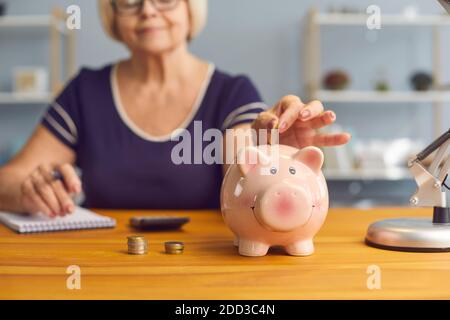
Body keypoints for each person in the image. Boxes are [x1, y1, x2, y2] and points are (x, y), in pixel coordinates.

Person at [0, 0, 350, 217]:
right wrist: (29, 191)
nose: (148, 9)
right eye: (130, 1)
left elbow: (245, 171)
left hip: (209, 273)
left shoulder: (231, 92)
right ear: (114, 14)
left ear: (188, 8)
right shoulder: (85, 91)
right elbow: (8, 181)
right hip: (104, 267)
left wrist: (275, 156)